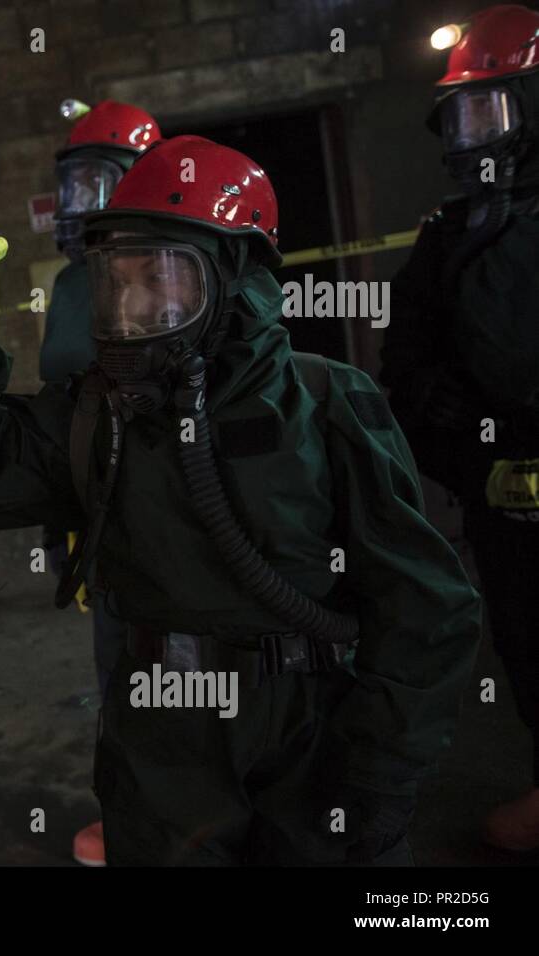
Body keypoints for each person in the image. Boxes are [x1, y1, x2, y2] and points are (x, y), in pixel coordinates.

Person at [0, 135, 482, 865]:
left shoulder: (328, 403)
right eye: (118, 281)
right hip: (162, 732)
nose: (134, 305)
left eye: (163, 279)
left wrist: (385, 770)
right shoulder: (99, 412)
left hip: (313, 722)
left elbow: (426, 605)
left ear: (234, 281)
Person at [381, 3, 539, 852]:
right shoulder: (448, 239)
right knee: (522, 637)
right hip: (503, 492)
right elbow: (406, 367)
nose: (476, 136)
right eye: (465, 114)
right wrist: (464, 434)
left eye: (494, 109)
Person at [43, 98, 161, 866]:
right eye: (72, 185)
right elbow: (61, 396)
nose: (78, 204)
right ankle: (135, 818)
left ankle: (183, 819)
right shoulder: (71, 283)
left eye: (97, 184)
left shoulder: (167, 275)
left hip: (163, 512)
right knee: (118, 670)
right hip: (99, 512)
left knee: (177, 671)